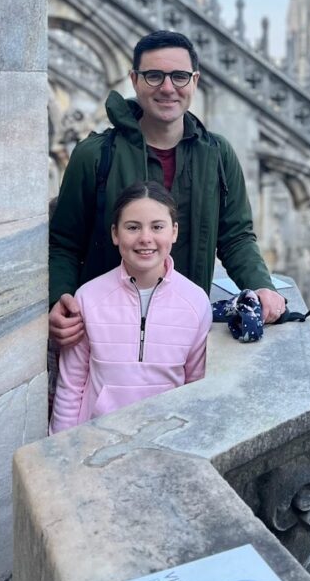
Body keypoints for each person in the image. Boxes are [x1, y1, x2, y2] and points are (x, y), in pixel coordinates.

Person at [49, 30, 286, 350]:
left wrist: (260, 285)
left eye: (179, 76)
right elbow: (64, 242)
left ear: (195, 81)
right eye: (154, 76)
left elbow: (236, 236)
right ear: (134, 80)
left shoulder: (218, 155)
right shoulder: (94, 155)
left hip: (185, 334)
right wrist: (58, 298)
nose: (167, 87)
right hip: (104, 335)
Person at [50, 182, 211, 432]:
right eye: (133, 227)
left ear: (174, 232)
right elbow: (71, 385)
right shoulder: (88, 297)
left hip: (166, 440)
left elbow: (196, 385)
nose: (145, 238)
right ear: (116, 234)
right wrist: (58, 452)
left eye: (157, 227)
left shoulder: (196, 302)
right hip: (96, 440)